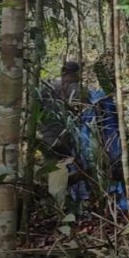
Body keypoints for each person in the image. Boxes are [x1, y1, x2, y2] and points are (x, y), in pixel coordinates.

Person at [40, 61, 88, 207]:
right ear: (74, 73)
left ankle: (50, 202)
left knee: (50, 171)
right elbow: (83, 111)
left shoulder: (47, 87)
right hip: (65, 137)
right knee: (69, 170)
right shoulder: (77, 89)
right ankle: (69, 202)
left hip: (46, 136)